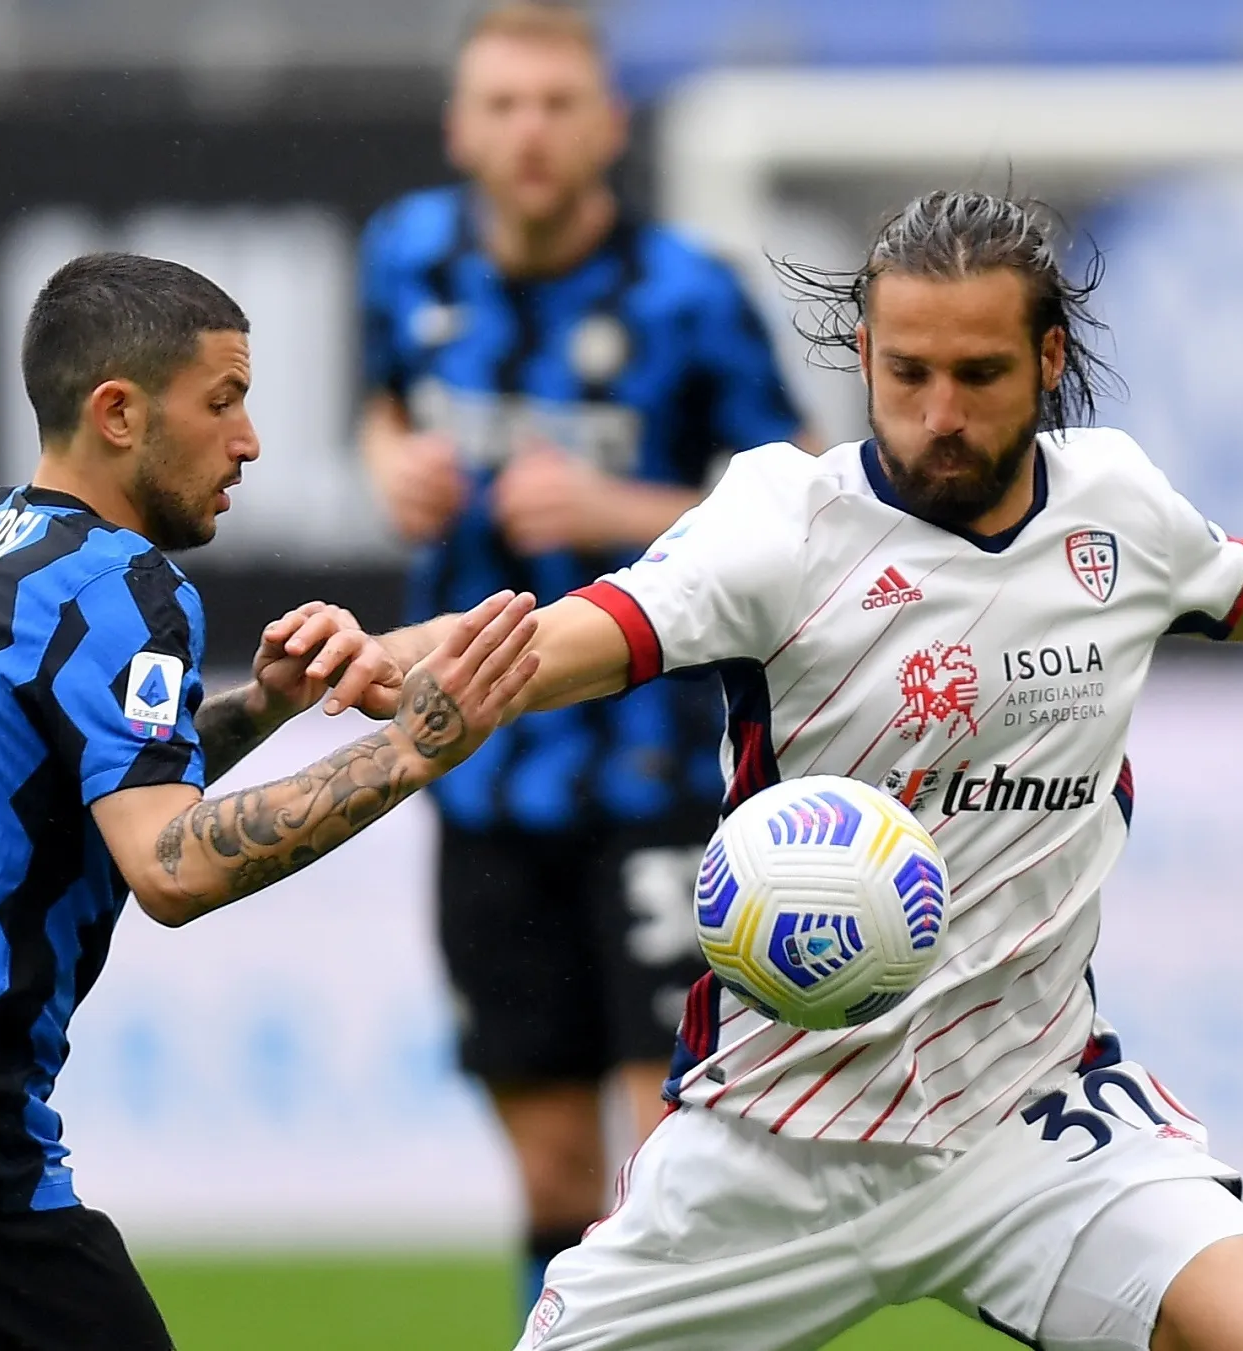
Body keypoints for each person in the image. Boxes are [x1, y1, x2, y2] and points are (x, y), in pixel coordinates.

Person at [367, 191, 1243, 1351]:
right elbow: (569, 638)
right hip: (772, 1140)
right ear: (861, 355)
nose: (940, 414)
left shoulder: (1116, 509)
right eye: (907, 374)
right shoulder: (780, 523)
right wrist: (391, 661)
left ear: (1051, 362)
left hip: (1031, 1117)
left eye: (980, 374)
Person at [0, 252, 538, 1351]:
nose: (248, 441)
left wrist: (265, 710)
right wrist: (415, 748)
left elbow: (63, 783)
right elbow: (172, 867)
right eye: (224, 401)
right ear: (117, 412)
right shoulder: (124, 584)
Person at [356, 0, 808, 1307]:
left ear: (610, 126)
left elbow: (801, 504)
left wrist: (619, 514)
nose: (531, 132)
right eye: (503, 105)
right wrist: (395, 467)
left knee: (668, 1165)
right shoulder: (408, 260)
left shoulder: (685, 293)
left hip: (654, 771)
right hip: (481, 771)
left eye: (558, 104)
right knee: (555, 1173)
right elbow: (384, 401)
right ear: (461, 126)